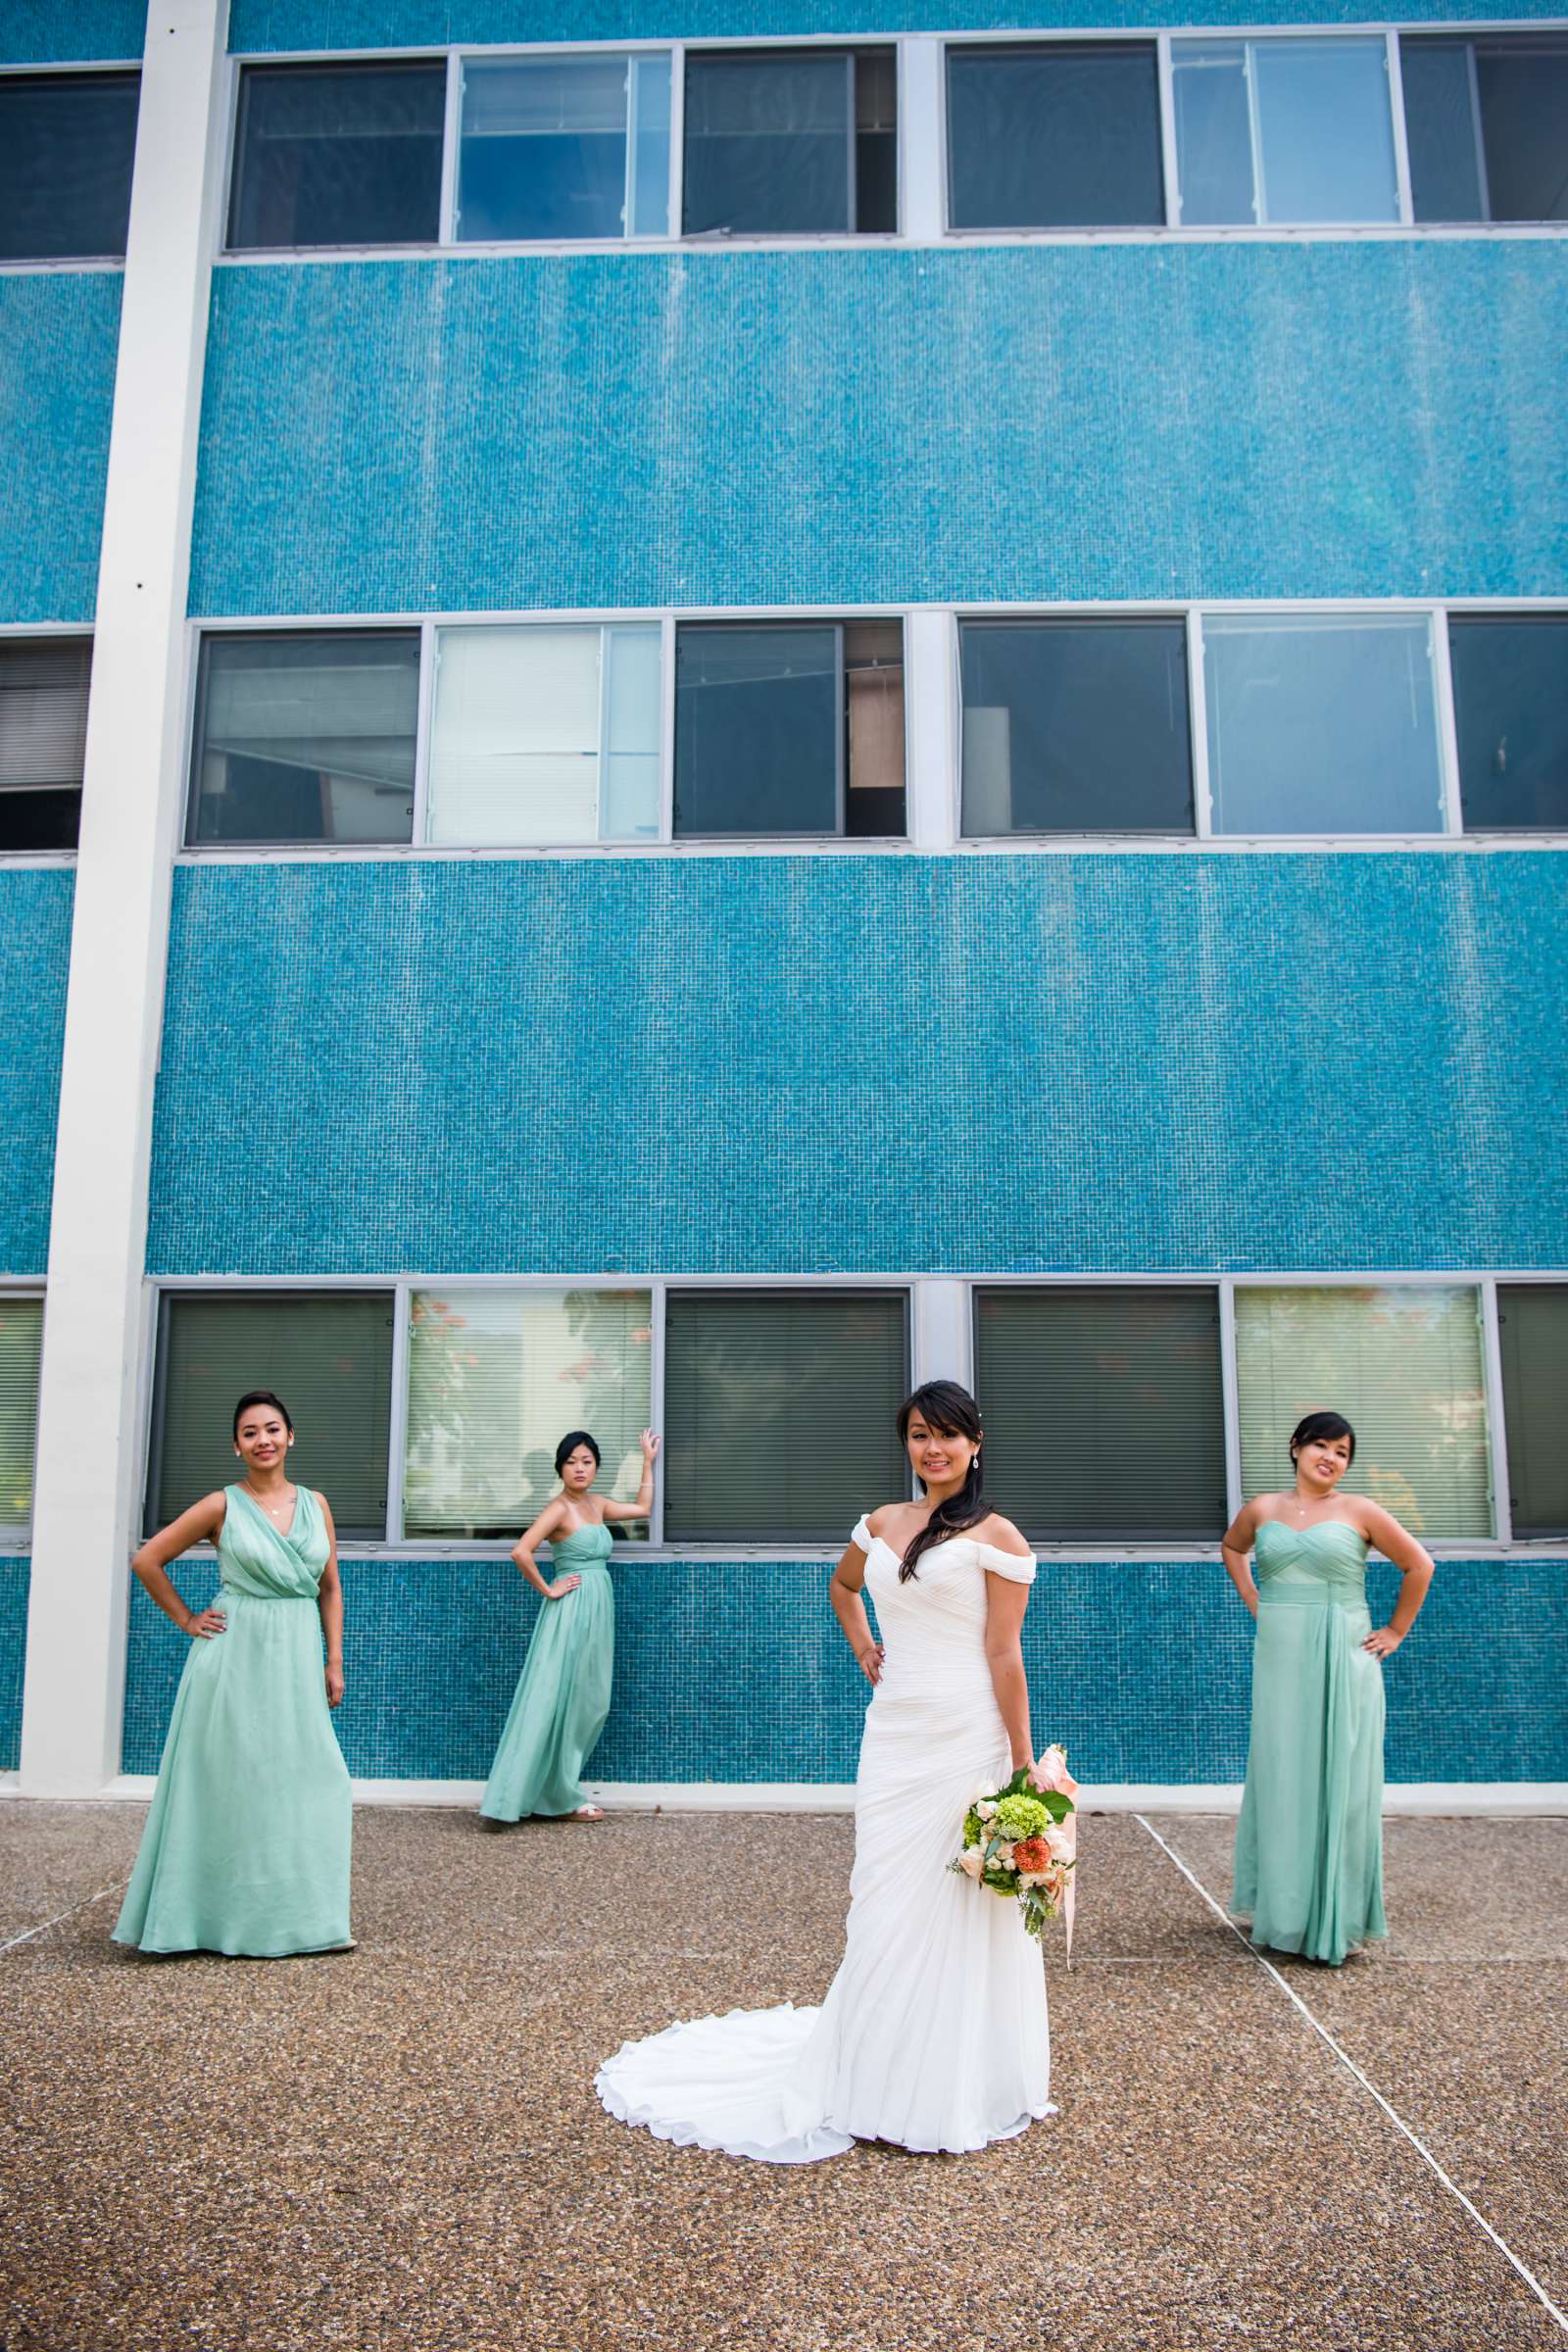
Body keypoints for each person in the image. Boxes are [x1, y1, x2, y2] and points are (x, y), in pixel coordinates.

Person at [596, 1379, 1060, 2160]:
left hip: (965, 1732)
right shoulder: (881, 1522)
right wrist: (863, 1647)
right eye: (918, 1433)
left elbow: (1003, 1653)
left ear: (976, 1444)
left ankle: (948, 2078)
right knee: (883, 1894)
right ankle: (869, 2067)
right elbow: (844, 1588)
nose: (932, 1448)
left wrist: (1021, 1763)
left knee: (955, 1897)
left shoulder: (1001, 1538)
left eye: (948, 1434)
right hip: (895, 1732)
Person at [113, 1390, 352, 1958]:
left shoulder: (316, 1504)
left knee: (309, 1779)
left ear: (290, 1436)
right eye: (250, 1432)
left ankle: (300, 1919)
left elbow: (330, 1587)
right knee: (233, 1782)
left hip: (296, 1653)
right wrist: (187, 1618)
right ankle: (213, 1919)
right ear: (237, 1445)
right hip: (235, 1656)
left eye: (272, 1428)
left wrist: (334, 1657)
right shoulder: (221, 1505)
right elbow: (147, 1559)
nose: (263, 1439)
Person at [1222, 1409, 1434, 1967]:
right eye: (1321, 1446)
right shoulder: (1261, 1509)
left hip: (1343, 1652)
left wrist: (1394, 1631)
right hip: (1280, 1656)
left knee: (1339, 1776)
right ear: (1296, 1447)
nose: (1330, 1459)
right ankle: (1284, 1911)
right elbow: (1231, 1548)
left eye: (1342, 1452)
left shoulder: (1360, 1511)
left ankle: (1333, 1916)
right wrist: (1254, 1600)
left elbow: (1419, 1565)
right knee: (1283, 1771)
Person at [480, 1428, 660, 1827]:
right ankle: (557, 1796)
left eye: (587, 1461)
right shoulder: (558, 1509)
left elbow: (643, 1509)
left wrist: (647, 1462)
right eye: (571, 1461)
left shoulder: (597, 1505)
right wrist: (549, 1588)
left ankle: (557, 1789)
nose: (579, 1468)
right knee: (555, 1697)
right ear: (560, 1468)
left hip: (599, 1607)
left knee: (591, 1700)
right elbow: (520, 1550)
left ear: (596, 1468)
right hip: (569, 1611)